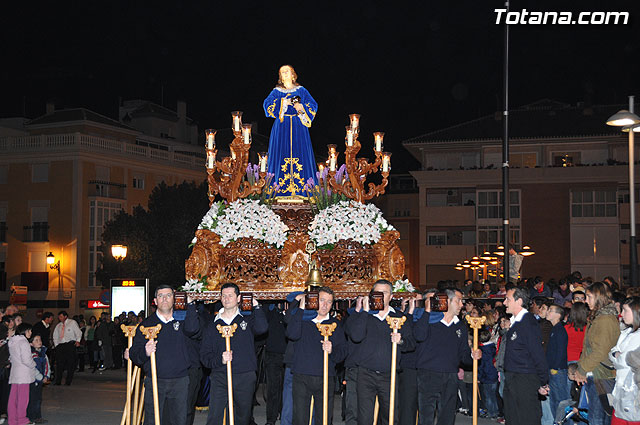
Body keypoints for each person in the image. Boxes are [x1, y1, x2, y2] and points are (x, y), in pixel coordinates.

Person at [197, 283, 268, 425]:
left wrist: (256, 306)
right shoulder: (212, 325)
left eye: (230, 295)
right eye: (223, 296)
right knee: (215, 416)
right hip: (220, 375)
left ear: (238, 298)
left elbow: (262, 328)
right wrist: (220, 360)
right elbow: (204, 355)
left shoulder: (246, 320)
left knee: (242, 415)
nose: (226, 298)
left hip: (245, 375)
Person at [346, 279, 415, 425]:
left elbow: (411, 344)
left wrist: (400, 340)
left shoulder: (398, 317)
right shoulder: (365, 316)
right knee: (364, 418)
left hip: (389, 375)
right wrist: (365, 311)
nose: (380, 296)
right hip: (365, 374)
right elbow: (356, 336)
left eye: (384, 293)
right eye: (377, 293)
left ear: (391, 296)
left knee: (390, 417)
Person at [130, 285, 198, 425]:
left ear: (174, 299)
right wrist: (145, 352)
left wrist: (190, 304)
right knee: (153, 419)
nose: (164, 299)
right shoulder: (147, 325)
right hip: (155, 380)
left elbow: (193, 330)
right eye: (161, 296)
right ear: (155, 301)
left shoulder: (182, 319)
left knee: (179, 420)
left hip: (180, 380)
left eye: (168, 295)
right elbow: (134, 353)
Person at [414, 288, 481, 425]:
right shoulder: (429, 320)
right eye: (458, 301)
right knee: (426, 416)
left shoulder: (460, 326)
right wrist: (427, 312)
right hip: (428, 374)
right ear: (448, 301)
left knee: (447, 416)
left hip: (451, 375)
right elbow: (419, 336)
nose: (461, 304)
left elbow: (464, 356)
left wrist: (473, 355)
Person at [287, 287, 347, 425]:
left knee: (324, 417)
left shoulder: (334, 324)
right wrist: (301, 308)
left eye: (329, 302)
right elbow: (291, 334)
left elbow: (343, 351)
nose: (325, 305)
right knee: (300, 417)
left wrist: (332, 350)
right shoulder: (302, 320)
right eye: (322, 300)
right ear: (314, 300)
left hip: (325, 376)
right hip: (302, 375)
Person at [263, 64, 318, 197]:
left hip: (299, 127)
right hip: (281, 127)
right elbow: (267, 106)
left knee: (301, 154)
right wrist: (283, 103)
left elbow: (313, 105)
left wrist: (301, 107)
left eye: (287, 71)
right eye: (282, 72)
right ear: (280, 77)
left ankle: (304, 191)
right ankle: (278, 191)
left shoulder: (302, 90)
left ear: (293, 75)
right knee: (280, 154)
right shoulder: (276, 91)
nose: (285, 74)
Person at [574, 282, 620, 425]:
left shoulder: (605, 319)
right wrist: (580, 369)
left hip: (601, 376)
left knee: (598, 419)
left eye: (588, 297)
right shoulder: (598, 317)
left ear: (599, 297)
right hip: (595, 374)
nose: (585, 301)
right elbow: (587, 347)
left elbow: (600, 351)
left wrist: (581, 369)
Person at [502, 286, 549, 425]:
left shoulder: (528, 323)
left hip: (525, 379)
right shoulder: (516, 323)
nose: (505, 302)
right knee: (512, 418)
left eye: (507, 299)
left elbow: (538, 354)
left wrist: (543, 381)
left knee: (527, 418)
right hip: (513, 378)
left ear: (519, 301)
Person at [609, 296, 640, 424]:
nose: (621, 314)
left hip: (632, 390)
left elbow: (624, 361)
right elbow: (611, 353)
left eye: (625, 310)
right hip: (621, 387)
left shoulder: (637, 336)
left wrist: (616, 355)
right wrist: (616, 354)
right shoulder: (626, 332)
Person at [546, 304, 570, 419]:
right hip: (552, 369)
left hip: (558, 370)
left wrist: (555, 367)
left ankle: (563, 421)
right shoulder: (554, 329)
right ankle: (557, 421)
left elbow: (561, 350)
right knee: (554, 400)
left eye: (550, 310)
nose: (547, 312)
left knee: (561, 401)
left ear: (558, 315)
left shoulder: (560, 330)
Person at [8, 323, 35, 425]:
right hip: (24, 374)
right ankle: (22, 419)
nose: (31, 333)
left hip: (15, 373)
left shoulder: (12, 341)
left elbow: (11, 358)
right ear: (25, 331)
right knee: (23, 399)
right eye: (29, 330)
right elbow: (26, 360)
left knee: (13, 398)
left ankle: (12, 420)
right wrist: (34, 364)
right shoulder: (23, 342)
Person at [51, 311, 82, 386]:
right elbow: (55, 336)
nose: (59, 318)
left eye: (61, 316)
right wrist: (56, 345)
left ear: (65, 316)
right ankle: (58, 381)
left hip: (70, 345)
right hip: (61, 346)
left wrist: (78, 340)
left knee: (70, 364)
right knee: (59, 364)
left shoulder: (72, 322)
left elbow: (78, 332)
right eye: (59, 317)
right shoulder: (58, 325)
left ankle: (68, 381)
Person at [27, 334, 50, 424]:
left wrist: (46, 376)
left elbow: (47, 365)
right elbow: (33, 368)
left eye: (40, 340)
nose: (39, 342)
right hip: (32, 380)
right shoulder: (31, 354)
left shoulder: (43, 353)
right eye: (36, 340)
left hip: (40, 380)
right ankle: (31, 416)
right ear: (31, 344)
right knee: (32, 399)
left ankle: (38, 416)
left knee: (38, 399)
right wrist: (40, 377)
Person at [479, 329, 499, 419]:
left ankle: (491, 412)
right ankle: (495, 411)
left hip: (486, 376)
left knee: (488, 396)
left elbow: (482, 366)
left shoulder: (483, 351)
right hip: (493, 374)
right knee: (493, 395)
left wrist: (479, 376)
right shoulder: (493, 348)